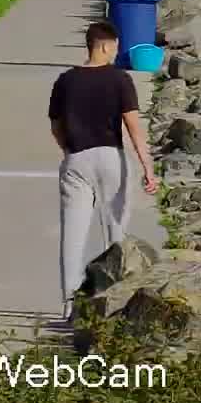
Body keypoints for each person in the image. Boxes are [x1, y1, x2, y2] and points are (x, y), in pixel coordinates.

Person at [50, 20, 157, 315]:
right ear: (106, 46)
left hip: (76, 159)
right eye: (115, 48)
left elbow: (56, 125)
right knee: (116, 233)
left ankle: (69, 306)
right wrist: (147, 166)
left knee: (72, 235)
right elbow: (133, 127)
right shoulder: (120, 79)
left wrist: (68, 151)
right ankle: (114, 303)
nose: (115, 53)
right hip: (111, 158)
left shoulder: (65, 81)